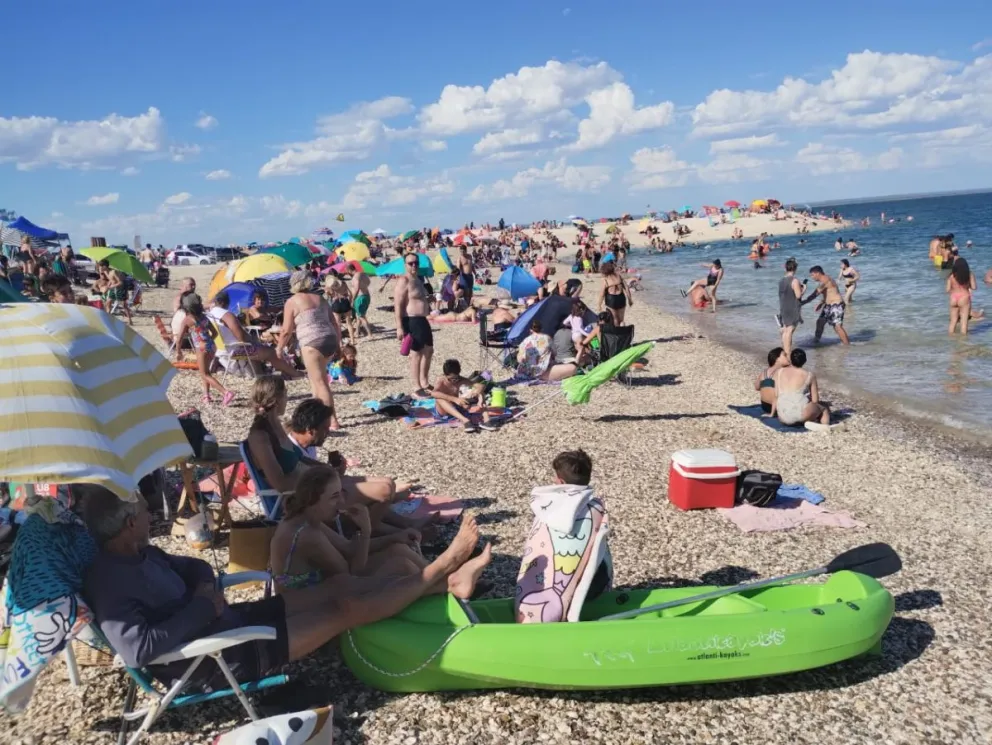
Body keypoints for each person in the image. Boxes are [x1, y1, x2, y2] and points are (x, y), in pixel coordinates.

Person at [81, 486, 484, 689]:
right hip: (215, 655)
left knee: (339, 587)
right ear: (127, 524)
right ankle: (439, 573)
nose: (152, 512)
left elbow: (196, 565)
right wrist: (202, 608)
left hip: (227, 620)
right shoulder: (111, 582)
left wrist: (206, 592)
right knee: (342, 611)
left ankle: (443, 585)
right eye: (142, 510)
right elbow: (136, 650)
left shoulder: (141, 553)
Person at [269, 466, 491, 595]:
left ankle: (449, 581)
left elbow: (347, 548)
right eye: (334, 497)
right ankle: (448, 585)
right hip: (307, 604)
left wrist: (395, 536)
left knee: (398, 549)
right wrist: (365, 530)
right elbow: (351, 574)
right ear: (313, 500)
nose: (342, 503)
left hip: (324, 585)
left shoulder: (307, 518)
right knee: (399, 564)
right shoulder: (306, 534)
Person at [278, 271, 341, 428]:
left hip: (312, 342)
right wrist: (338, 344)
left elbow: (286, 330)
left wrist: (279, 347)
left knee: (320, 383)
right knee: (315, 379)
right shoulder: (320, 298)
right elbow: (334, 323)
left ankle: (332, 420)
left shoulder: (292, 302)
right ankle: (316, 415)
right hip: (329, 339)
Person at [210, 290, 303, 379]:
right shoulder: (227, 315)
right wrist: (253, 341)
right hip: (237, 351)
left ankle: (276, 371)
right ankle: (295, 373)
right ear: (227, 302)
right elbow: (242, 337)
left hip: (222, 351)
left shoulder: (211, 314)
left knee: (264, 348)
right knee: (272, 352)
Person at [175, 293, 234, 406]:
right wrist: (208, 341)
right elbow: (215, 333)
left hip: (201, 348)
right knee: (206, 371)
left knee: (204, 374)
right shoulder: (204, 317)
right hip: (212, 346)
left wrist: (178, 352)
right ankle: (206, 396)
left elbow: (179, 339)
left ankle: (226, 392)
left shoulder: (187, 320)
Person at [394, 253, 434, 397]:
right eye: (410, 263)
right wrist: (399, 326)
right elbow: (398, 305)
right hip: (411, 320)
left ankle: (424, 382)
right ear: (405, 265)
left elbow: (418, 299)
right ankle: (416, 387)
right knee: (416, 354)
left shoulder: (418, 280)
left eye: (416, 263)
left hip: (422, 319)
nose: (414, 265)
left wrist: (429, 300)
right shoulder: (403, 281)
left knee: (429, 350)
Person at [769, 348, 830, 426]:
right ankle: (825, 426)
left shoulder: (779, 372)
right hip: (800, 415)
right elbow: (815, 400)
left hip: (782, 416)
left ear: (791, 359)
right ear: (805, 361)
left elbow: (776, 396)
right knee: (823, 408)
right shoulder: (809, 375)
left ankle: (807, 420)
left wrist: (771, 414)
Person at [433, 359, 497, 433]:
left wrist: (479, 395)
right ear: (445, 375)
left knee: (479, 392)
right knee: (438, 397)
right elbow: (434, 393)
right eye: (450, 379)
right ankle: (465, 421)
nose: (454, 381)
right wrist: (454, 399)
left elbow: (480, 386)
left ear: (459, 374)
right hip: (444, 410)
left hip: (457, 408)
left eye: (456, 378)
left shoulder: (462, 380)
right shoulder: (441, 380)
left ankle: (487, 420)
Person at [808, 265, 851, 345]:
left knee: (837, 327)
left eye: (812, 275)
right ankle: (816, 342)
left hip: (836, 305)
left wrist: (802, 302)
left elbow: (815, 294)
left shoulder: (825, 279)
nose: (812, 277)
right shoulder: (824, 280)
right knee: (820, 322)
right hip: (828, 305)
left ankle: (847, 345)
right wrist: (821, 303)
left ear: (817, 273)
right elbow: (828, 293)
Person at [777, 258, 804, 355]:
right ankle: (787, 353)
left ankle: (784, 349)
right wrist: (804, 289)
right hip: (792, 308)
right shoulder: (795, 280)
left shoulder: (781, 280)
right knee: (789, 330)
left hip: (783, 307)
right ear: (795, 269)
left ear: (786, 268)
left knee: (785, 329)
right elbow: (798, 296)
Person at [755, 347, 790, 414]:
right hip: (777, 408)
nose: (787, 357)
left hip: (765, 406)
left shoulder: (764, 372)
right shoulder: (782, 372)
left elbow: (757, 387)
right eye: (784, 355)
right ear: (777, 359)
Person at [947, 257, 977, 335]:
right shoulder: (969, 274)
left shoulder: (951, 276)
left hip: (953, 298)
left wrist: (954, 290)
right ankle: (963, 343)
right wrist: (968, 285)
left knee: (953, 322)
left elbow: (947, 290)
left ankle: (950, 339)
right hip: (964, 297)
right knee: (964, 322)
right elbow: (974, 287)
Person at [323, 274, 355, 344]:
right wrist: (349, 302)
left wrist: (328, 292)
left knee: (338, 325)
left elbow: (329, 298)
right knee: (349, 323)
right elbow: (350, 294)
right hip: (345, 302)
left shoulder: (329, 288)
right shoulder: (343, 283)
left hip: (336, 304)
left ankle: (340, 342)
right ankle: (352, 341)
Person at [350, 265, 373, 340]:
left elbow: (357, 288)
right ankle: (357, 332)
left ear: (349, 270)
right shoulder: (363, 274)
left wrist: (353, 299)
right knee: (358, 316)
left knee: (361, 317)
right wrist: (364, 287)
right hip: (366, 296)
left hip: (360, 298)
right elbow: (369, 282)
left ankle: (370, 334)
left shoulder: (356, 277)